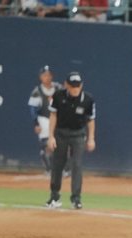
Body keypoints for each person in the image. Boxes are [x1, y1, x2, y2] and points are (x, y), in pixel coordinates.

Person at [45, 72, 96, 210]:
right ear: (66, 85)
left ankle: (76, 198)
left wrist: (91, 138)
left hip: (78, 134)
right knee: (58, 164)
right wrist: (51, 136)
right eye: (72, 86)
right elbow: (53, 115)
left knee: (77, 165)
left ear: (81, 85)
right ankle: (54, 196)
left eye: (77, 86)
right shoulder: (58, 96)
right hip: (61, 133)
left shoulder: (88, 100)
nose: (75, 89)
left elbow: (91, 120)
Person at [28, 65, 63, 176]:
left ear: (52, 76)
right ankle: (49, 169)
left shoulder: (58, 88)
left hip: (58, 119)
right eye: (44, 75)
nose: (47, 77)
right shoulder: (37, 91)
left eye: (49, 75)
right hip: (43, 119)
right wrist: (36, 124)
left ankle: (62, 169)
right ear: (40, 77)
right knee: (46, 145)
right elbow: (33, 109)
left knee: (61, 145)